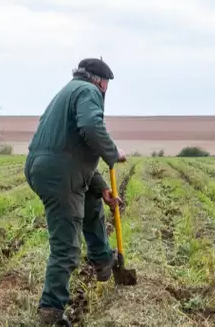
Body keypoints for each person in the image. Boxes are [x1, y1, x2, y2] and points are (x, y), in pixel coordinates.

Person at [24, 58, 127, 326]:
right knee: (66, 247)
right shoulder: (88, 91)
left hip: (48, 166)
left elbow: (77, 150)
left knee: (92, 200)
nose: (106, 89)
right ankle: (51, 311)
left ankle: (103, 259)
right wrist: (113, 153)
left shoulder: (68, 91)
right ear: (100, 81)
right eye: (107, 84)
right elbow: (92, 128)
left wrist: (103, 188)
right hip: (60, 173)